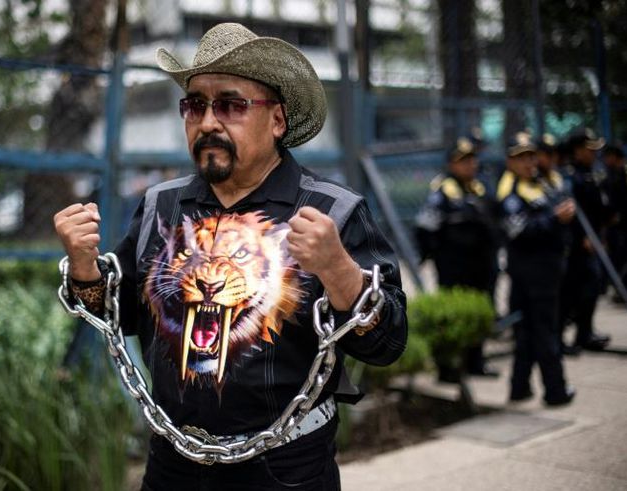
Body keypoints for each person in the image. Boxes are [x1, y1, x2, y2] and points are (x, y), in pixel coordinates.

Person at [54, 23, 407, 490]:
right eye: (195, 105)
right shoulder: (162, 206)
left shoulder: (332, 213)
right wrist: (83, 266)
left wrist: (340, 271)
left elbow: (386, 344)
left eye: (231, 105)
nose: (208, 122)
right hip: (172, 465)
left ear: (277, 120)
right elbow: (121, 315)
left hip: (286, 470)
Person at [496, 131, 575, 406]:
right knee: (545, 332)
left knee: (529, 332)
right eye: (521, 157)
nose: (529, 161)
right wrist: (554, 218)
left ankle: (519, 388)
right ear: (510, 162)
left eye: (531, 155)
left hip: (546, 271)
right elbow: (520, 231)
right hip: (532, 274)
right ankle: (556, 390)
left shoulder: (541, 184)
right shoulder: (511, 194)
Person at [415, 136, 499, 382]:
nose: (470, 165)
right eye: (463, 161)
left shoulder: (480, 187)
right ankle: (447, 368)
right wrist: (431, 254)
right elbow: (425, 227)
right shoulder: (443, 191)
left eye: (472, 159)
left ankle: (475, 362)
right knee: (450, 314)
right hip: (454, 265)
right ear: (451, 164)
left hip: (481, 263)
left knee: (480, 310)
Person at [559, 129, 613, 353]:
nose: (593, 154)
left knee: (591, 289)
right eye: (588, 149)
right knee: (571, 292)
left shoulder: (593, 173)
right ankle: (560, 336)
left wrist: (601, 236)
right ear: (577, 150)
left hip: (594, 240)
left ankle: (585, 332)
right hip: (577, 244)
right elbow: (572, 214)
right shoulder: (569, 176)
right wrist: (582, 238)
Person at [602, 141, 627, 301]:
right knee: (618, 259)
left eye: (608, 157)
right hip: (616, 226)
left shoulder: (625, 174)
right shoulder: (612, 173)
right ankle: (622, 291)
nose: (606, 160)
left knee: (626, 258)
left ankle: (626, 292)